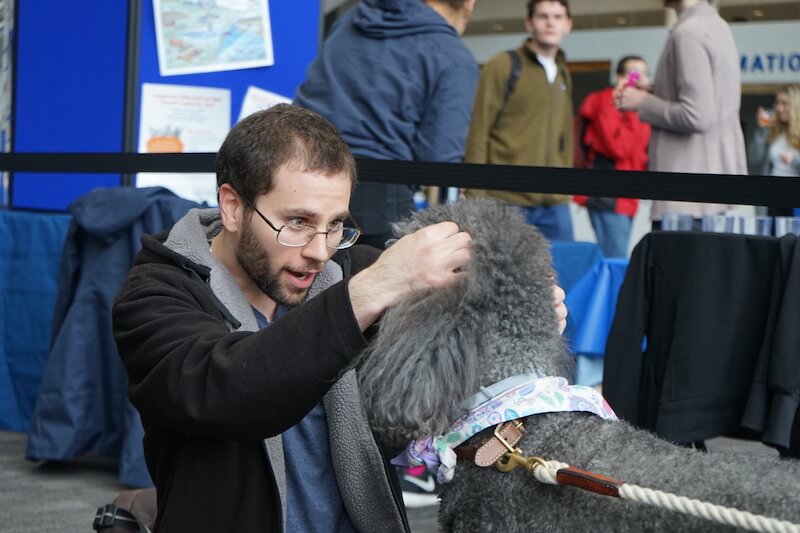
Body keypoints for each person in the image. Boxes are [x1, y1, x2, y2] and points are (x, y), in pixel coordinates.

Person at [112, 104, 570, 532]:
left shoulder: (349, 273)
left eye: (335, 224)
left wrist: (523, 317)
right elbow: (227, 391)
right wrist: (373, 291)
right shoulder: (156, 296)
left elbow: (446, 364)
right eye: (297, 222)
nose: (318, 250)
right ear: (233, 206)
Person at [294, 0, 479, 250]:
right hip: (378, 207)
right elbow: (439, 161)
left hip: (304, 178)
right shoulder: (454, 56)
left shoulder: (353, 19)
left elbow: (307, 100)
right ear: (469, 3)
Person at [615, 0, 747, 230]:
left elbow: (697, 115)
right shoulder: (717, 26)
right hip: (710, 187)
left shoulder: (688, 33)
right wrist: (655, 95)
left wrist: (643, 101)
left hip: (683, 192)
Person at [463, 0, 574, 242]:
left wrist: (565, 185)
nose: (550, 22)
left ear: (568, 24)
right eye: (543, 16)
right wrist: (475, 196)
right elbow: (479, 131)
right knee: (502, 277)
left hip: (555, 203)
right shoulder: (503, 65)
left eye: (557, 16)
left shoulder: (563, 72)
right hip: (506, 199)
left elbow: (565, 137)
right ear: (529, 22)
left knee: (566, 275)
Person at [573, 55, 651, 257]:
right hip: (608, 195)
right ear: (619, 77)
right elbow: (620, 148)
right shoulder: (607, 102)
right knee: (615, 259)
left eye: (645, 73)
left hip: (624, 195)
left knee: (615, 256)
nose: (640, 78)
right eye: (634, 73)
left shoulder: (640, 108)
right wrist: (633, 108)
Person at [748, 85, 800, 217]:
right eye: (777, 103)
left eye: (784, 103)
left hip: (795, 197)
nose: (779, 108)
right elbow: (754, 159)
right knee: (771, 236)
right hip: (773, 196)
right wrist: (761, 129)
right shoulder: (772, 131)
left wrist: (794, 159)